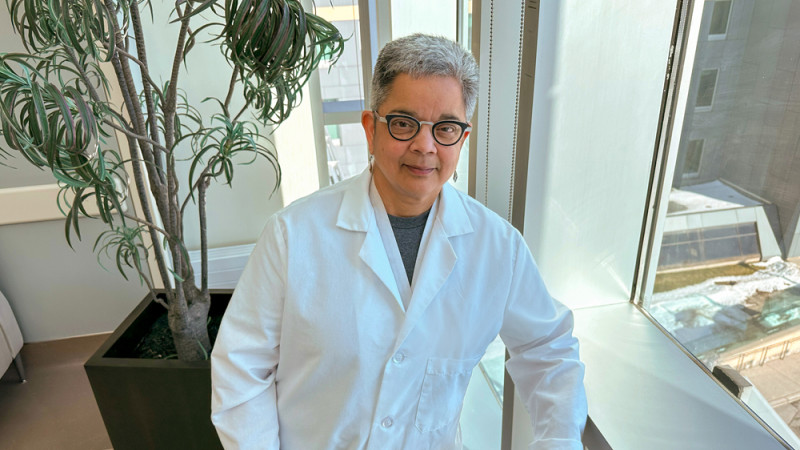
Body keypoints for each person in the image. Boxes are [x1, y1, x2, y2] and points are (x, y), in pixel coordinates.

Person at [210, 33, 587, 449]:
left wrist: (559, 442)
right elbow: (241, 366)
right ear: (371, 129)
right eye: (404, 124)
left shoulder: (498, 249)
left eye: (445, 128)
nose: (425, 146)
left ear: (462, 138)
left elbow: (550, 351)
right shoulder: (293, 235)